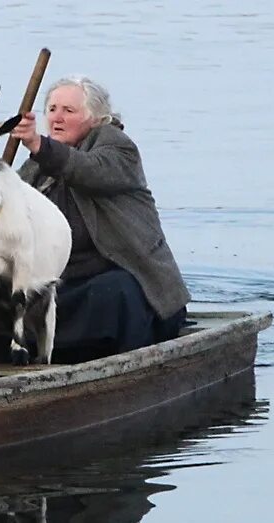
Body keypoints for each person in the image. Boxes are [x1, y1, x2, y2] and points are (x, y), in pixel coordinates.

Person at [11, 75, 191, 363]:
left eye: (68, 111)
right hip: (65, 281)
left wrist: (38, 144)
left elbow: (87, 169)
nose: (57, 118)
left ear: (95, 118)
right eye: (52, 109)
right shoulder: (36, 166)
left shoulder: (118, 148)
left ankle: (128, 369)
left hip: (127, 280)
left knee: (115, 292)